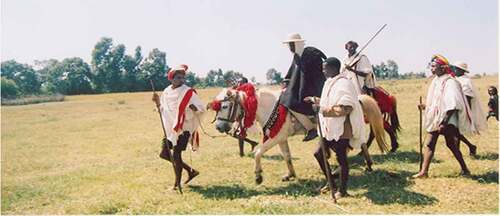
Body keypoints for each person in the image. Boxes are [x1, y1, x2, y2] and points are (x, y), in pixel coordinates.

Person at [305, 57, 366, 199]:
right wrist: (315, 100)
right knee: (318, 154)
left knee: (341, 159)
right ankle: (331, 182)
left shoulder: (344, 84)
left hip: (342, 127)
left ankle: (342, 190)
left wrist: (322, 110)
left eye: (325, 67)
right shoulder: (329, 82)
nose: (323, 70)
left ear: (333, 68)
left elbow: (345, 108)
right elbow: (329, 102)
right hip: (328, 127)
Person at [413, 55, 475, 178]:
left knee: (449, 144)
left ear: (442, 68)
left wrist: (443, 122)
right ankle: (424, 172)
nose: (431, 68)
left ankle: (464, 168)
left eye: (434, 66)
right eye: (431, 66)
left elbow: (452, 105)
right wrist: (425, 106)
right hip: (437, 118)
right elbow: (437, 102)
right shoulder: (436, 81)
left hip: (447, 119)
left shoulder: (450, 82)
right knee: (432, 143)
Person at [152, 64, 206, 190]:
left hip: (183, 129)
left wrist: (195, 109)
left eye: (183, 78)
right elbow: (163, 108)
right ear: (171, 78)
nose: (181, 80)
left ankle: (176, 185)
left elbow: (201, 108)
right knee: (164, 154)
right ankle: (191, 171)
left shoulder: (188, 92)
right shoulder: (166, 91)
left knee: (176, 156)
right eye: (178, 78)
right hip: (170, 128)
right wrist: (157, 102)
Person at [279, 33, 327, 141]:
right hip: (302, 90)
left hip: (315, 89)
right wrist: (286, 84)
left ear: (298, 44)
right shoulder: (296, 57)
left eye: (292, 44)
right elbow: (291, 74)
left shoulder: (311, 55)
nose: (290, 47)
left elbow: (317, 76)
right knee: (284, 99)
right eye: (289, 45)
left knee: (290, 102)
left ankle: (311, 128)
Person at [451, 61, 487, 156]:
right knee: (455, 131)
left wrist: (467, 112)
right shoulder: (457, 79)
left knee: (456, 131)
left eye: (455, 68)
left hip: (462, 109)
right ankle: (465, 148)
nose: (454, 70)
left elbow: (468, 97)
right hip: (457, 108)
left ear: (460, 70)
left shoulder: (465, 81)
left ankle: (468, 147)